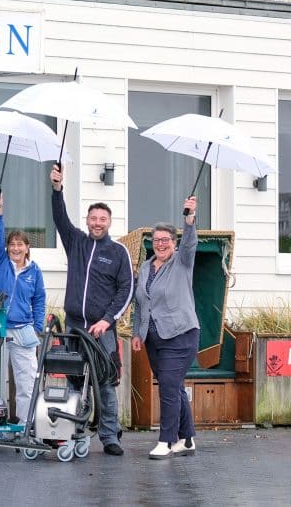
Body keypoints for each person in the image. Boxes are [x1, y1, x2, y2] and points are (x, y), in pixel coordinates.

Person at [50, 163, 134, 456]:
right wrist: (57, 189)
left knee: (106, 384)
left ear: (109, 222)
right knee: (74, 381)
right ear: (87, 220)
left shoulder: (118, 252)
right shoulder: (76, 241)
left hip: (102, 331)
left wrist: (107, 321)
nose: (97, 222)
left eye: (102, 219)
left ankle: (110, 436)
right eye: (93, 218)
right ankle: (72, 429)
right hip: (74, 327)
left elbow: (126, 290)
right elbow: (59, 217)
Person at [132, 196, 200, 460]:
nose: (160, 244)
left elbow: (191, 242)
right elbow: (140, 303)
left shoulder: (182, 262)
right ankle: (187, 438)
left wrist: (190, 218)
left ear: (174, 243)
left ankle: (167, 440)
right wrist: (138, 332)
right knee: (175, 387)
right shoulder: (146, 267)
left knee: (169, 387)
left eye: (166, 240)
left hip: (181, 336)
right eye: (156, 240)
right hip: (153, 338)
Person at [0, 192, 46, 427]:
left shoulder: (35, 271)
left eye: (20, 244)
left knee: (27, 381)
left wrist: (38, 326)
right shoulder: (0, 261)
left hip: (23, 331)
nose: (16, 248)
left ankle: (24, 424)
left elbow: (39, 300)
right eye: (12, 244)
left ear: (27, 248)